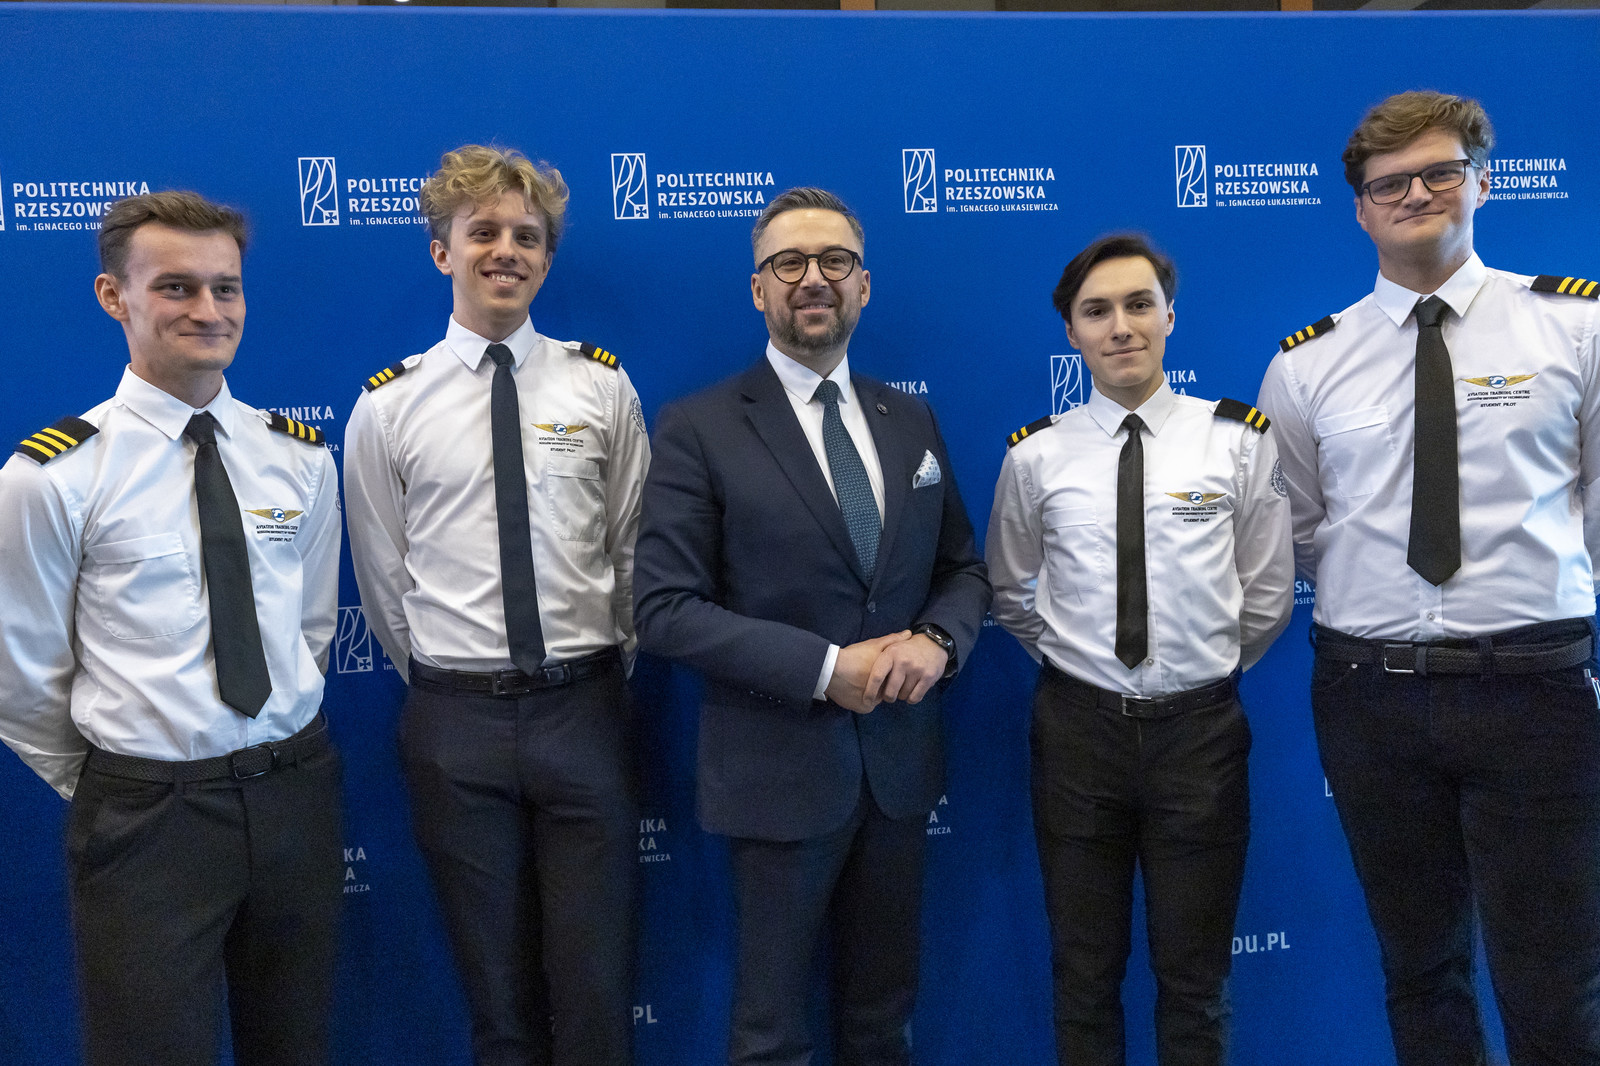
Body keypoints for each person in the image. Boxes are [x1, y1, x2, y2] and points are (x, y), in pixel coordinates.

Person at [1257, 90, 1600, 1065]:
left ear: (1482, 184)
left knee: (1556, 978)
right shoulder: (1307, 365)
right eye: (1389, 183)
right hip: (1373, 700)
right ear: (1360, 210)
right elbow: (1305, 530)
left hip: (1534, 692)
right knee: (1419, 970)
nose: (1415, 194)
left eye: (1440, 172)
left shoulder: (1575, 328)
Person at [632, 186, 991, 1066]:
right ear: (758, 289)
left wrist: (939, 642)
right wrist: (828, 668)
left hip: (899, 771)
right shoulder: (699, 427)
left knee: (882, 1023)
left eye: (834, 260)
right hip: (776, 772)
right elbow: (664, 610)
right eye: (788, 263)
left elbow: (963, 570)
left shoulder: (909, 419)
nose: (813, 278)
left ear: (864, 284)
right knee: (771, 1034)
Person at [0, 191, 343, 1066]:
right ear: (113, 296)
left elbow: (308, 630)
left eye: (226, 288)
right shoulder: (55, 476)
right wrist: (124, 779)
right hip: (149, 816)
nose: (208, 310)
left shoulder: (299, 456)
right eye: (176, 287)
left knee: (295, 1045)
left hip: (293, 792)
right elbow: (21, 669)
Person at [344, 144, 649, 1066]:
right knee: (498, 1000)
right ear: (443, 250)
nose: (505, 250)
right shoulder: (388, 408)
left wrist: (592, 671)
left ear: (547, 259)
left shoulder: (601, 387)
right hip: (455, 725)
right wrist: (454, 680)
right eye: (483, 232)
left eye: (527, 236)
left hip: (584, 712)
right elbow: (385, 579)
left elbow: (630, 551)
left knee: (595, 989)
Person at [988, 234, 1293, 1066]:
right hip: (1078, 735)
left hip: (1200, 736)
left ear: (1169, 317)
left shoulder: (1236, 439)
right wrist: (1083, 672)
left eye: (1137, 305)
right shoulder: (1035, 454)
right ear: (1072, 333)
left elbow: (1267, 593)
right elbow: (1013, 593)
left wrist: (1196, 673)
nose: (1120, 326)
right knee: (1084, 975)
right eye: (1097, 312)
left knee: (1196, 980)